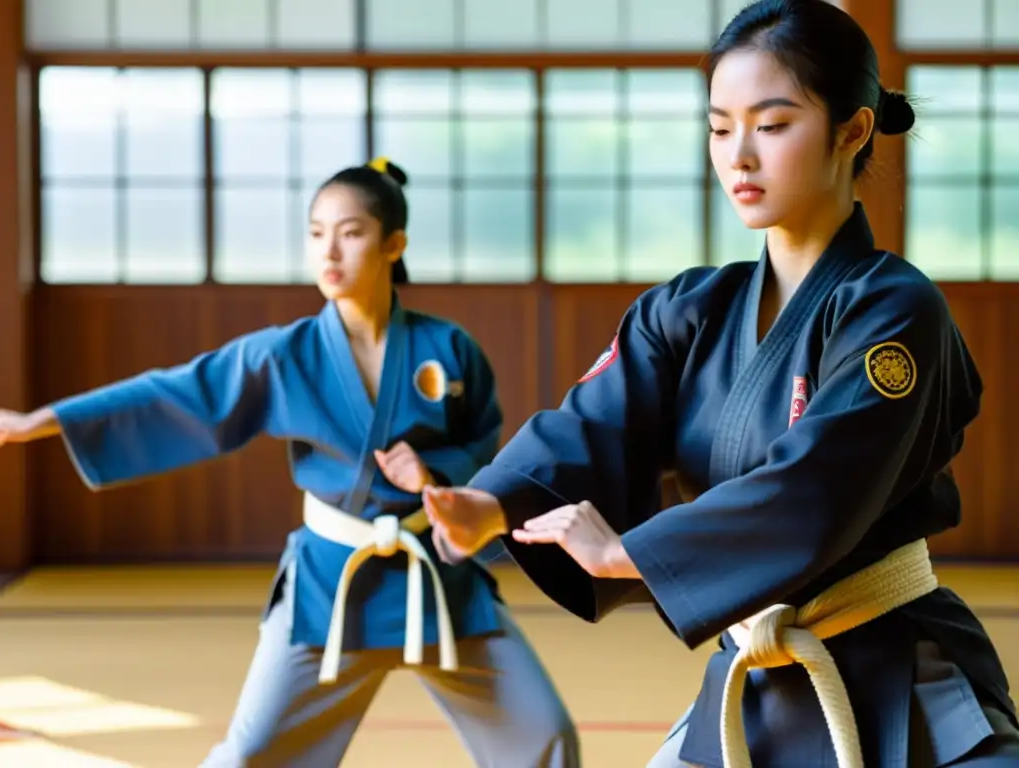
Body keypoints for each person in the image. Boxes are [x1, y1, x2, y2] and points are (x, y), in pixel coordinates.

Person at [419, 2, 1019, 766]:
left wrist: (628, 554)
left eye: (771, 126)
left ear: (853, 130)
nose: (739, 156)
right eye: (718, 126)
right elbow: (592, 426)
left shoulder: (896, 309)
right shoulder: (687, 309)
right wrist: (492, 503)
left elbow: (817, 490)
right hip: (757, 676)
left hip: (896, 669)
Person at [0, 157, 579, 767]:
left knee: (544, 735)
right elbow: (180, 392)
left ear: (393, 244)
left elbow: (488, 445)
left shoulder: (449, 349)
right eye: (317, 232)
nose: (330, 250)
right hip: (331, 581)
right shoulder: (284, 354)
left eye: (351, 233)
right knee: (249, 755)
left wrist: (434, 474)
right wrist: (49, 419)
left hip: (435, 578)